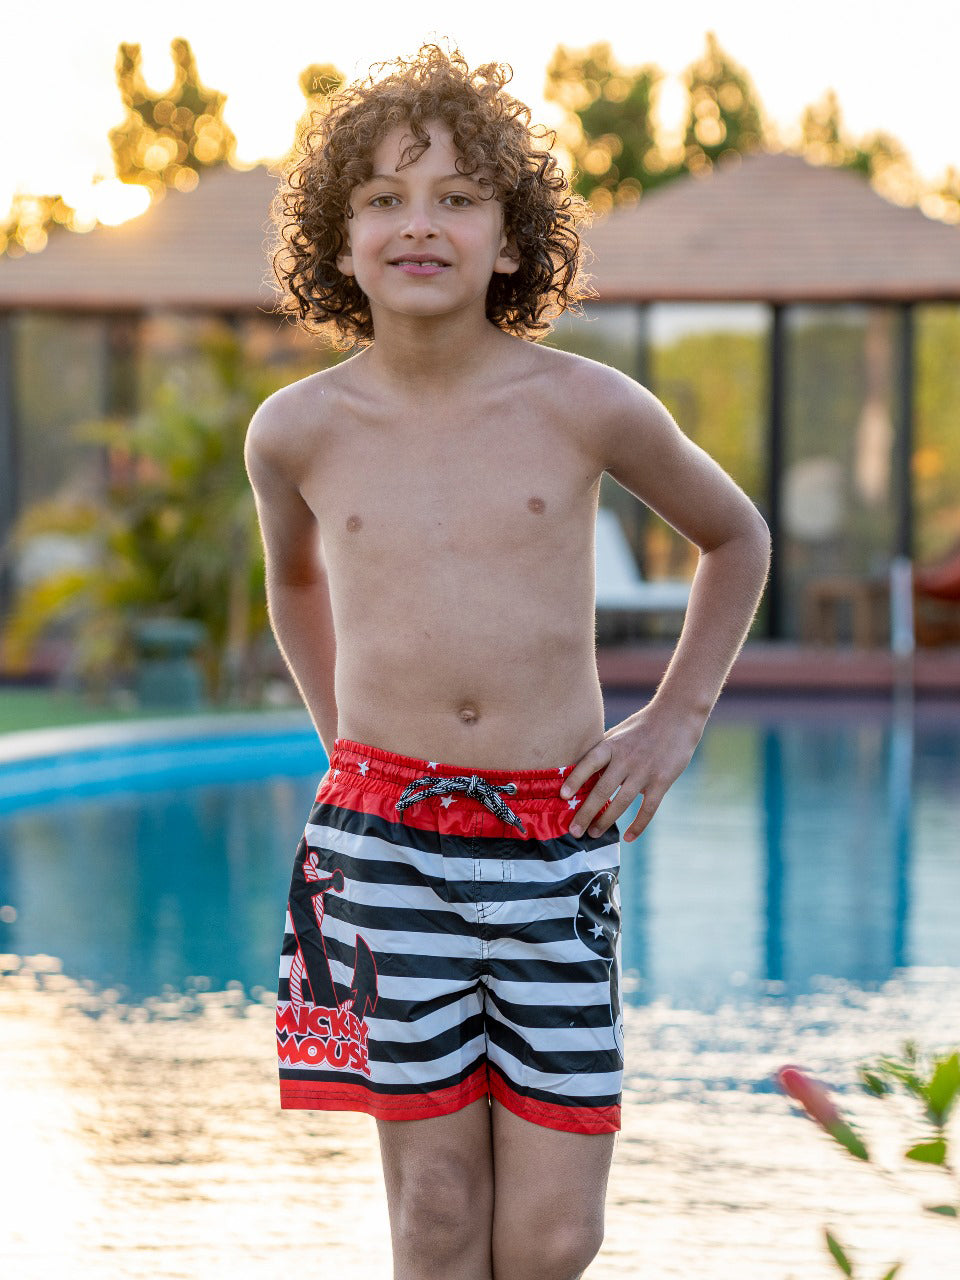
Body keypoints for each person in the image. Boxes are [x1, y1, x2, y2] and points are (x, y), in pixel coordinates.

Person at [245, 43, 770, 1280]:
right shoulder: (298, 430)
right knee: (434, 1216)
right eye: (383, 197)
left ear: (513, 241)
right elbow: (297, 581)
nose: (419, 223)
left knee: (553, 1234)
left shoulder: (587, 405)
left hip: (553, 836)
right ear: (339, 242)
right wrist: (343, 744)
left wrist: (675, 716)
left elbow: (735, 537)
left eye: (458, 196)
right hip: (385, 845)